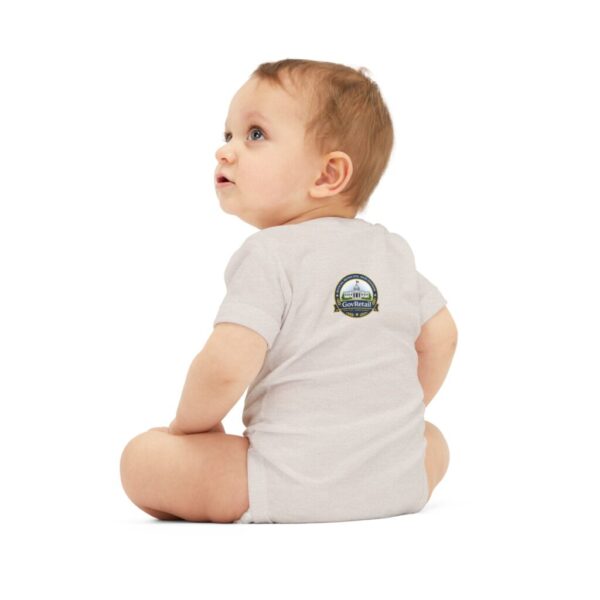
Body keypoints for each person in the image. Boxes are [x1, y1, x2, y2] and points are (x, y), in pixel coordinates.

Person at [120, 59, 458, 524]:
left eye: (255, 134)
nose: (225, 151)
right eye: (228, 135)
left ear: (327, 175)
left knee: (141, 459)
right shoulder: (393, 252)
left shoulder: (270, 254)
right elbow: (442, 336)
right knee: (432, 439)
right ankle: (385, 470)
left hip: (285, 483)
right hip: (396, 482)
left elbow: (225, 367)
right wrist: (390, 427)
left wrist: (189, 428)